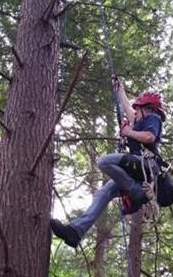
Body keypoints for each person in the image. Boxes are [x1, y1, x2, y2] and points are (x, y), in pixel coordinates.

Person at [51, 75, 166, 248]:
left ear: (147, 109)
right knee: (103, 193)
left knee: (104, 162)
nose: (135, 113)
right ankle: (75, 232)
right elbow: (128, 108)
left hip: (146, 165)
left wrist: (128, 132)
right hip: (136, 173)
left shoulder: (152, 118)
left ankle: (136, 193)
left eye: (138, 109)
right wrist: (120, 90)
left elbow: (149, 137)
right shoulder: (140, 120)